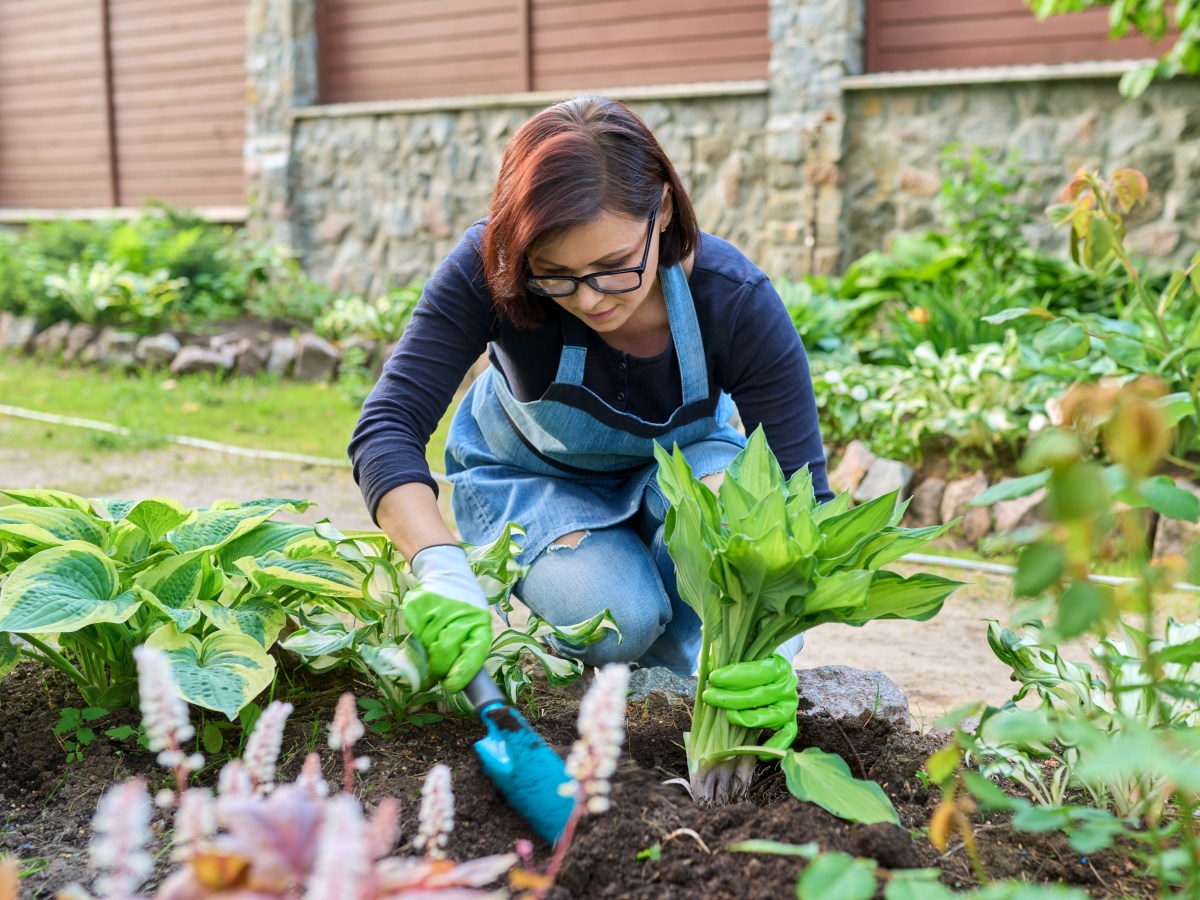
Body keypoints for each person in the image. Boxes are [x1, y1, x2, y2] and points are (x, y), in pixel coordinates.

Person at [349, 96, 832, 741]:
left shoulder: (733, 301)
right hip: (531, 477)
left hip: (686, 469)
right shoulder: (487, 268)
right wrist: (438, 565)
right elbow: (387, 426)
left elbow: (804, 493)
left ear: (660, 210)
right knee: (615, 620)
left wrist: (776, 647)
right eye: (556, 277)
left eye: (612, 268)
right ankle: (633, 661)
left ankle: (682, 693)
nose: (589, 299)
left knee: (728, 545)